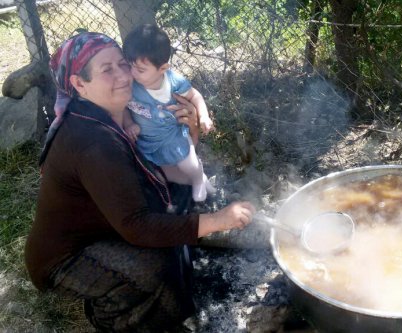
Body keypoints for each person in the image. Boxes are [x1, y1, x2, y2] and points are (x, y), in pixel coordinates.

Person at [24, 32, 256, 332]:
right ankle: (111, 318)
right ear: (79, 84)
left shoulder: (125, 111)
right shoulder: (92, 141)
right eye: (107, 70)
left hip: (109, 224)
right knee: (152, 268)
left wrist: (192, 128)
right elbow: (137, 226)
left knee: (180, 204)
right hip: (67, 256)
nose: (123, 75)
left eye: (123, 64)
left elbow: (172, 163)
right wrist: (219, 220)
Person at [121, 24, 215, 206]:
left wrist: (203, 116)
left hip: (173, 137)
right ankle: (196, 187)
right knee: (166, 172)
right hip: (148, 141)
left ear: (163, 68)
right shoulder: (132, 85)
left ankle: (198, 179)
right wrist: (129, 123)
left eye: (140, 70)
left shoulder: (174, 83)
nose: (133, 73)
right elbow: (125, 107)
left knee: (189, 165)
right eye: (130, 66)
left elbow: (195, 96)